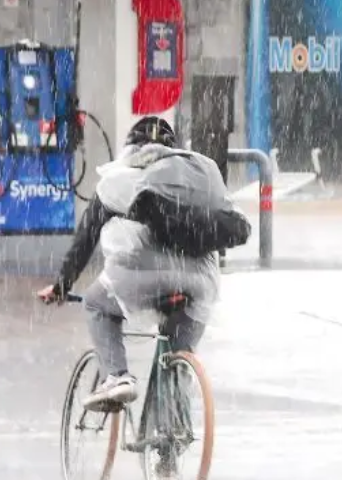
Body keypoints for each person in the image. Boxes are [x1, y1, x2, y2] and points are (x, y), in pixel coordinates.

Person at [37, 116, 250, 412]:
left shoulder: (119, 178)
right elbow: (232, 221)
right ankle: (171, 437)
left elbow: (86, 239)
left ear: (130, 147)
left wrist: (62, 285)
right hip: (201, 283)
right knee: (177, 359)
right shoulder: (203, 171)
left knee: (97, 304)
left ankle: (117, 377)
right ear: (174, 148)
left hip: (143, 276)